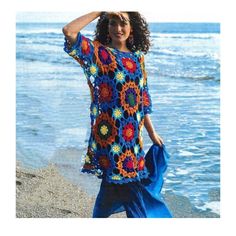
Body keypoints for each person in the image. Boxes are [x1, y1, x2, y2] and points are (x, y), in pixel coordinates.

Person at [63, 11, 171, 218]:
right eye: (113, 23)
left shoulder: (138, 60)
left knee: (113, 191)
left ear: (132, 28)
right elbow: (69, 31)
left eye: (123, 23)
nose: (118, 28)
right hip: (109, 139)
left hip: (132, 141)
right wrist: (100, 9)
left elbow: (141, 102)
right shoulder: (100, 54)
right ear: (106, 26)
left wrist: (152, 134)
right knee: (130, 191)